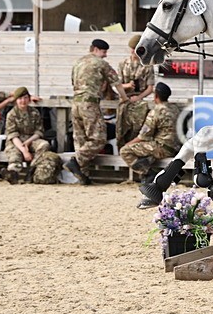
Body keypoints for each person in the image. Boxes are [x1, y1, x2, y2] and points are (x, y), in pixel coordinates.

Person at [67, 38, 120, 185]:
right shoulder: (100, 63)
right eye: (104, 52)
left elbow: (73, 83)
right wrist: (124, 97)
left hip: (75, 103)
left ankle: (83, 175)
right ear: (95, 49)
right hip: (89, 104)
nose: (105, 55)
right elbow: (116, 82)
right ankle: (76, 161)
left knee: (80, 139)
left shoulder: (78, 63)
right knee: (98, 138)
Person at [121, 82, 181, 197]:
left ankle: (148, 174)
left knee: (125, 151)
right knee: (147, 155)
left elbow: (143, 136)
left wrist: (127, 145)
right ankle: (147, 174)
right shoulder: (174, 108)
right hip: (175, 148)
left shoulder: (156, 111)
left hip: (162, 148)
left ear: (156, 96)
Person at [1, 87, 61, 184]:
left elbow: (39, 131)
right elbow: (13, 135)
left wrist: (28, 142)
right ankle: (13, 173)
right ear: (16, 100)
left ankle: (32, 169)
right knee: (14, 153)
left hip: (31, 139)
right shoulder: (11, 114)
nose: (23, 101)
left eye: (25, 98)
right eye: (20, 99)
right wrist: (24, 151)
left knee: (44, 145)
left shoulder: (34, 112)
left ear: (29, 99)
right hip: (16, 141)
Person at [116, 33, 155, 148]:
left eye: (136, 49)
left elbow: (150, 88)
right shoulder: (123, 64)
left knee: (137, 130)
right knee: (121, 131)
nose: (133, 52)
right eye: (132, 49)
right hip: (124, 99)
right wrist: (127, 86)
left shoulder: (147, 66)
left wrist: (139, 97)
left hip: (139, 102)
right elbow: (117, 85)